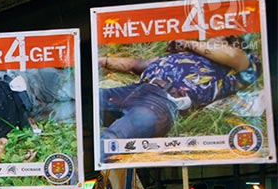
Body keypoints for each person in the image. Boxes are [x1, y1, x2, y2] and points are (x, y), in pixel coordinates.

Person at [99, 35, 262, 146]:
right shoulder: (182, 56)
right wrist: (104, 61)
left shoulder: (235, 68)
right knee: (84, 105)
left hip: (162, 103)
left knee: (112, 139)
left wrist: (187, 43)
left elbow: (234, 56)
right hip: (137, 89)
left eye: (226, 39)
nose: (218, 37)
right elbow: (138, 64)